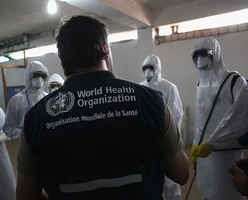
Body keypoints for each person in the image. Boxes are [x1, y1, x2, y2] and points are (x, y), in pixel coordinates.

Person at [16, 15, 189, 200]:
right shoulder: (151, 102)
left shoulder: (37, 117)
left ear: (63, 58)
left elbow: (25, 195)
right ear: (104, 48)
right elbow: (181, 173)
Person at [190, 37, 248, 200]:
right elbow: (201, 121)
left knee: (226, 192)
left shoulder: (234, 81)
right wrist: (196, 146)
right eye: (196, 55)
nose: (200, 59)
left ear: (215, 53)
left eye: (204, 54)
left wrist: (212, 143)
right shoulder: (200, 85)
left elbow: (240, 117)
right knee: (207, 191)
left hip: (225, 155)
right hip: (204, 156)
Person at [140, 54, 183, 200]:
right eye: (145, 68)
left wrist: (170, 141)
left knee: (171, 185)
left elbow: (176, 115)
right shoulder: (140, 88)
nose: (147, 71)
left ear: (157, 69)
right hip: (147, 145)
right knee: (150, 183)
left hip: (167, 144)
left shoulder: (169, 87)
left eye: (150, 68)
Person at [3, 61, 49, 140]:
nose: (40, 79)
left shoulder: (48, 98)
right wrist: (26, 134)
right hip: (25, 145)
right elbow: (8, 129)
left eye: (43, 76)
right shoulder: (16, 100)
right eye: (36, 75)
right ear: (28, 76)